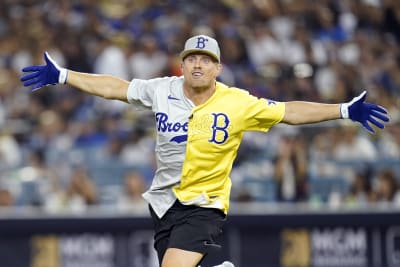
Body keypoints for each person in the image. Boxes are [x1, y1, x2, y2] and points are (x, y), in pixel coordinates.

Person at [20, 34, 389, 267]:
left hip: (204, 204)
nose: (198, 63)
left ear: (217, 68)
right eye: (192, 58)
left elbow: (289, 112)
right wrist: (65, 76)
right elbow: (116, 87)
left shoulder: (238, 102)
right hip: (163, 203)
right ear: (182, 65)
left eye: (206, 58)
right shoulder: (162, 89)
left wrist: (342, 110)